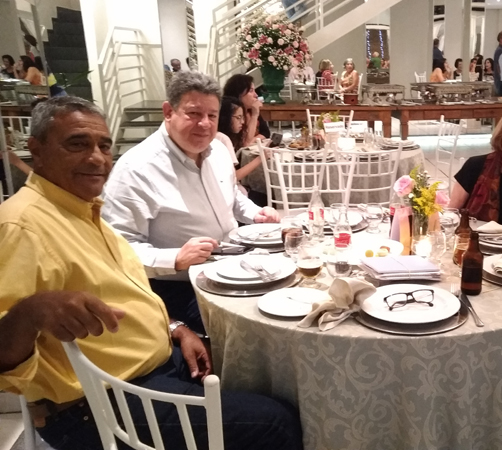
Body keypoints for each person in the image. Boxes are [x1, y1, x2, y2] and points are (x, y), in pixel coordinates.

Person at [0, 96, 303, 450]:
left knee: (263, 376)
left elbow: (125, 292)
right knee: (276, 421)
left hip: (154, 365)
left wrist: (175, 329)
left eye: (104, 146)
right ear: (36, 150)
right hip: (98, 404)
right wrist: (32, 311)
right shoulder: (22, 226)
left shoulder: (83, 210)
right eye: (77, 144)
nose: (96, 158)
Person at [102, 72, 281, 334]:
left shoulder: (217, 151)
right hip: (179, 286)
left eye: (212, 115)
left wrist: (256, 213)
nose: (205, 124)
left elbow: (232, 197)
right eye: (194, 114)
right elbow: (118, 250)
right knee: (259, 325)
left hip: (232, 266)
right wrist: (175, 258)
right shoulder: (136, 169)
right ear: (168, 112)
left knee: (289, 294)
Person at [216, 96, 263, 184]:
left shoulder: (219, 136)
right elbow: (234, 177)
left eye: (243, 117)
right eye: (238, 117)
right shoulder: (223, 139)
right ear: (225, 118)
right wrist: (261, 158)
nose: (242, 122)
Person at [222, 73, 269, 147]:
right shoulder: (231, 113)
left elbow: (265, 133)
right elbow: (244, 143)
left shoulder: (251, 109)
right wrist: (254, 115)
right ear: (238, 93)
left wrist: (252, 141)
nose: (256, 95)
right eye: (251, 91)